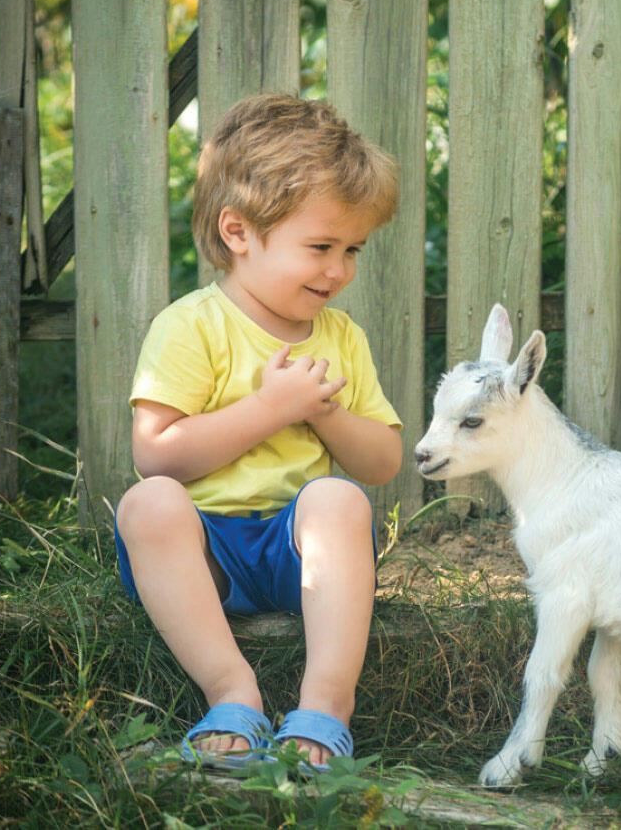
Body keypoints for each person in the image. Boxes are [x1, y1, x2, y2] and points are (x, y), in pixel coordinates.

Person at [113, 93, 404, 771]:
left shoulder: (341, 337)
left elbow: (385, 460)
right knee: (146, 503)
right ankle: (231, 689)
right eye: (321, 246)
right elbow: (156, 453)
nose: (339, 270)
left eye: (352, 249)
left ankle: (327, 703)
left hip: (292, 550)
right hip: (201, 552)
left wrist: (326, 413)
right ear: (238, 231)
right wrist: (271, 408)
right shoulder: (190, 326)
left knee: (340, 500)